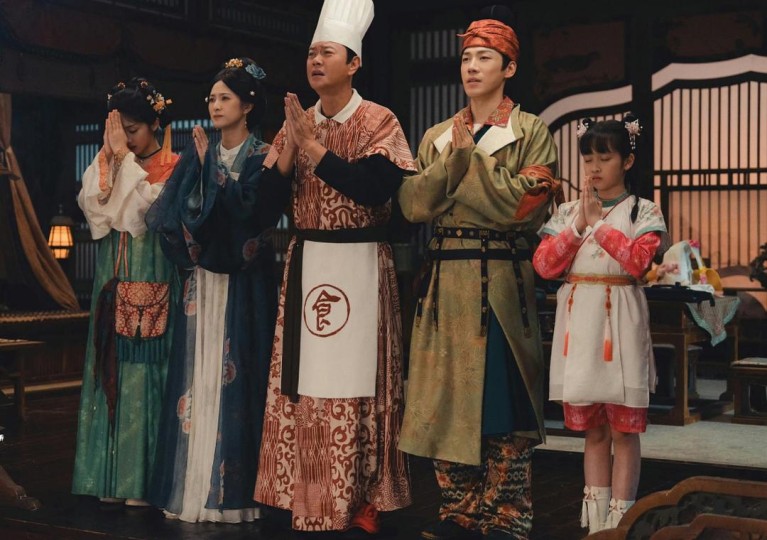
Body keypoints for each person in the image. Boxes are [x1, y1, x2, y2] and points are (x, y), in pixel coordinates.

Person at [397, 6, 561, 539]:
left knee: (501, 400)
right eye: (466, 57)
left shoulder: (531, 130)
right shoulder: (438, 135)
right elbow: (413, 203)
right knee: (445, 400)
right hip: (446, 283)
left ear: (508, 68)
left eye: (485, 58)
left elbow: (524, 206)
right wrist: (457, 165)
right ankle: (458, 513)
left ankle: (505, 514)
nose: (471, 67)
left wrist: (467, 166)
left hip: (500, 282)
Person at [253, 0, 415, 535]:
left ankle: (365, 496)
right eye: (311, 54)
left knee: (363, 383)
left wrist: (313, 148)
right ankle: (307, 492)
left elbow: (374, 190)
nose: (316, 61)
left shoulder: (378, 120)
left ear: (354, 63)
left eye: (327, 52)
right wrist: (286, 153)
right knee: (307, 385)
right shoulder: (297, 122)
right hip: (308, 263)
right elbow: (261, 212)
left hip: (361, 261)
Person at [146, 57, 286, 523]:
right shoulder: (198, 151)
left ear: (248, 105)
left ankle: (235, 495)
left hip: (245, 281)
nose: (215, 105)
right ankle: (190, 487)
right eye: (211, 98)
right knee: (197, 369)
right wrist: (203, 177)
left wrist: (214, 173)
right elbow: (174, 212)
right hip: (202, 277)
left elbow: (254, 214)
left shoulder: (265, 154)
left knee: (240, 371)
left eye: (225, 97)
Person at [532, 115, 667, 533]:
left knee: (624, 431)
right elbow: (544, 265)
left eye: (604, 158)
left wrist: (599, 225)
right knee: (593, 431)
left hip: (621, 318)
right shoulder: (567, 212)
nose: (593, 167)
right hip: (580, 323)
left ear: (627, 161)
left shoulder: (644, 210)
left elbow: (639, 262)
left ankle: (622, 522)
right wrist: (578, 225)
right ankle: (596, 525)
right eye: (588, 158)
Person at [73, 78, 180, 506]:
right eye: (119, 131)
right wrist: (113, 158)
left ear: (154, 124)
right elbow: (97, 216)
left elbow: (143, 217)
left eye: (133, 130)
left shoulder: (173, 165)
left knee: (144, 365)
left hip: (152, 268)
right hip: (113, 273)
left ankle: (142, 482)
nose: (126, 139)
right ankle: (108, 479)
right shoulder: (111, 160)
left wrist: (123, 160)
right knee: (109, 359)